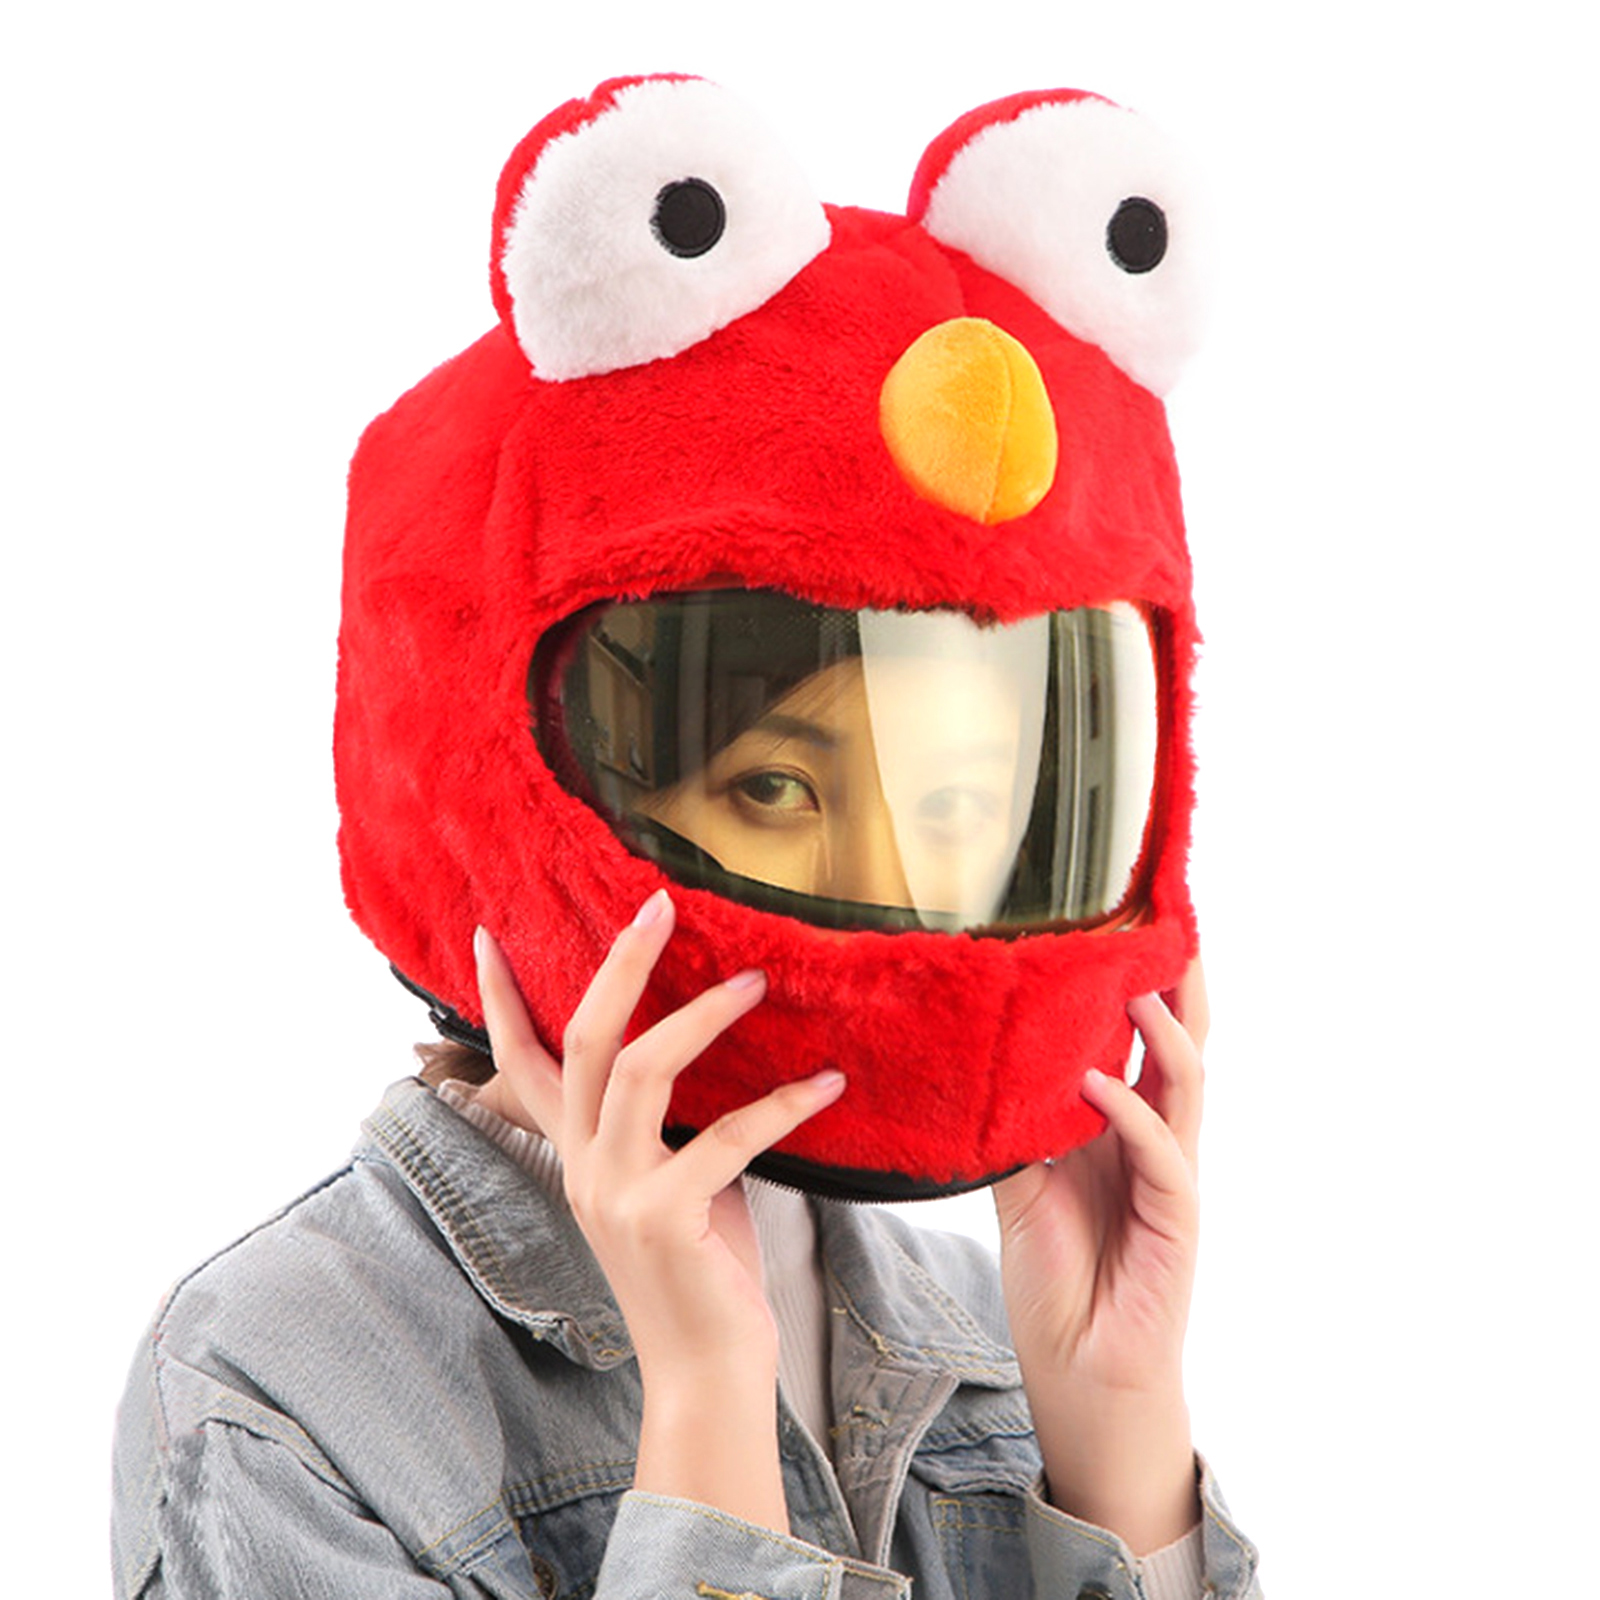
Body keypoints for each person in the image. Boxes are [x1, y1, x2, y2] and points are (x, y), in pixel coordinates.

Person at [112, 75, 1264, 1599]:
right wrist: (710, 1409)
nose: (903, 894)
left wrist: (1118, 1433)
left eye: (957, 809)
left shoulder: (991, 1335)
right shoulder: (277, 1390)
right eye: (776, 789)